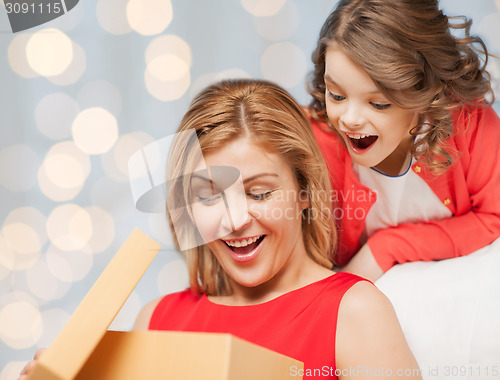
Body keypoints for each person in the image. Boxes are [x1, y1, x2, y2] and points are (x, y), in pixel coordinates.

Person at [19, 79, 421, 379]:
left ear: (303, 191)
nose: (233, 220)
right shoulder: (156, 319)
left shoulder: (354, 312)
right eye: (208, 197)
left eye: (259, 192)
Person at [307, 0, 500, 281]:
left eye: (378, 103)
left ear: (427, 93)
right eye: (336, 95)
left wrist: (388, 247)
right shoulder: (311, 143)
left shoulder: (469, 120)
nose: (349, 119)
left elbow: (494, 217)